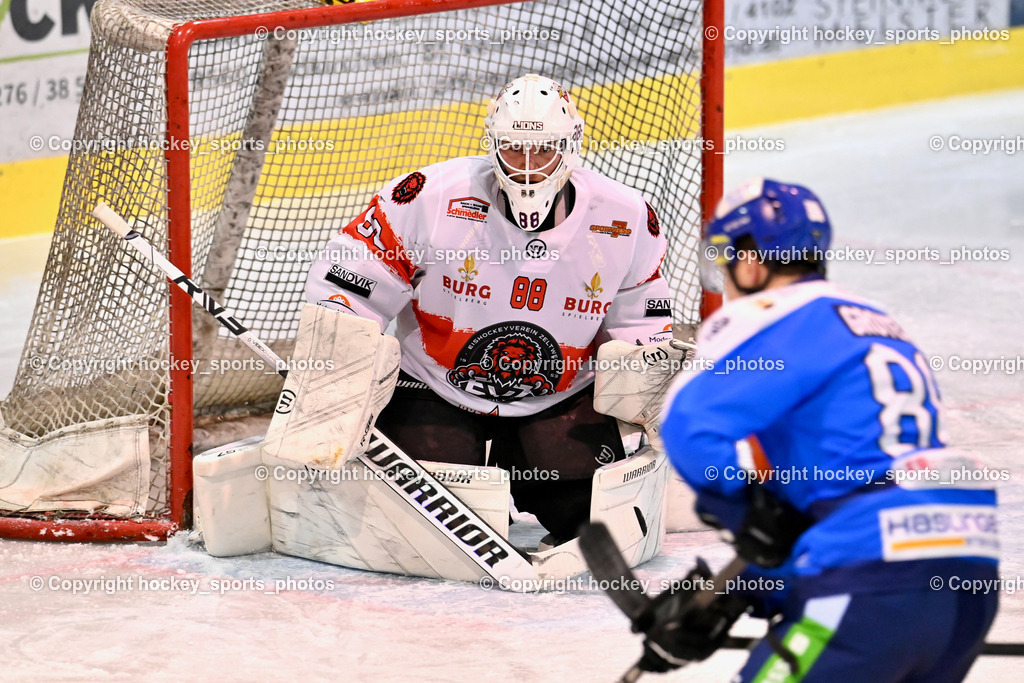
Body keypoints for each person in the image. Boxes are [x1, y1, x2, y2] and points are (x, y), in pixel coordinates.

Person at [645, 178, 999, 680]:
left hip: (870, 573)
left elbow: (687, 429)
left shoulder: (768, 315)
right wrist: (744, 590)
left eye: (727, 258)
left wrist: (737, 510)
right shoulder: (880, 322)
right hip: (966, 570)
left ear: (750, 261)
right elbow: (843, 489)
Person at [305, 74, 678, 544]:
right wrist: (333, 365)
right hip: (435, 385)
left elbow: (640, 316)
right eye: (513, 148)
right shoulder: (429, 195)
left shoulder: (624, 217)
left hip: (558, 394)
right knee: (436, 530)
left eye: (543, 150)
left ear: (571, 146)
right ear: (492, 144)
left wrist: (645, 384)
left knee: (593, 523)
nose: (527, 165)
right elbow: (354, 281)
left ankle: (524, 459)